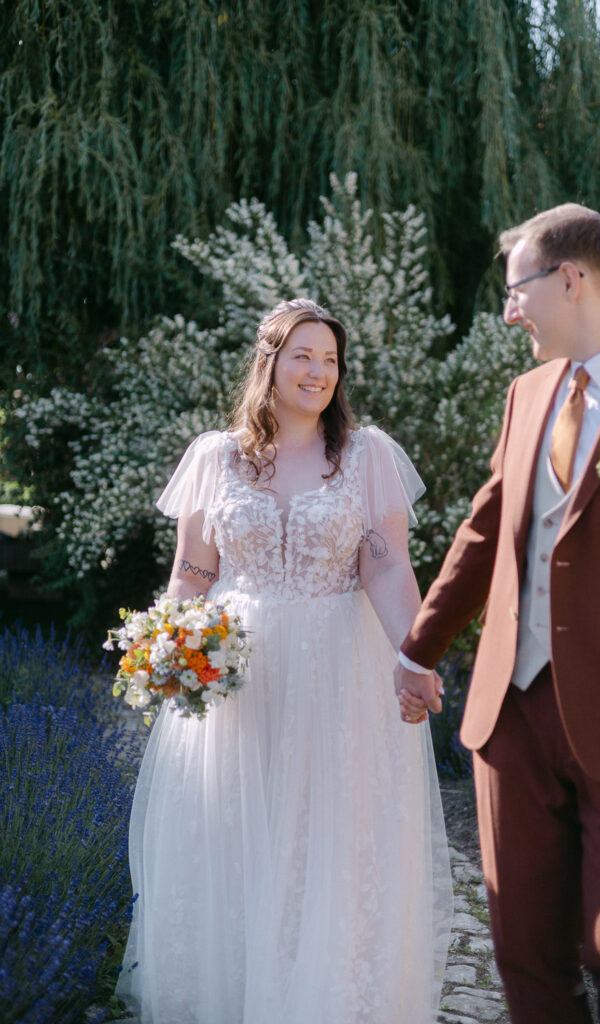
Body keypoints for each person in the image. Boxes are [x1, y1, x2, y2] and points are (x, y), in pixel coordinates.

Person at [116, 297, 452, 1024]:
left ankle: (323, 998)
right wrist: (171, 644)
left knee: (325, 836)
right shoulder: (216, 456)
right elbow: (193, 573)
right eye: (302, 354)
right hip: (235, 675)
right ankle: (234, 992)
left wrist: (414, 651)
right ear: (268, 363)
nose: (318, 371)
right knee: (234, 829)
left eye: (330, 359)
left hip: (337, 672)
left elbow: (387, 568)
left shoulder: (366, 456)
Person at [394, 203, 600, 1024]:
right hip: (511, 712)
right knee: (522, 948)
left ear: (569, 279)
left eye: (515, 290)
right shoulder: (526, 393)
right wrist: (419, 650)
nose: (507, 310)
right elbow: (488, 527)